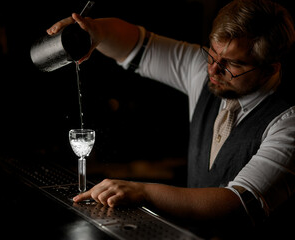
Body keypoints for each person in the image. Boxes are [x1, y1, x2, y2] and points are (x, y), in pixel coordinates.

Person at [47, 0, 295, 234]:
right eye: (212, 52)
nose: (213, 68)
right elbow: (136, 45)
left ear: (270, 68)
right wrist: (96, 30)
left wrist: (144, 191)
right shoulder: (204, 70)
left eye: (233, 64)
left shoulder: (287, 121)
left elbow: (237, 203)